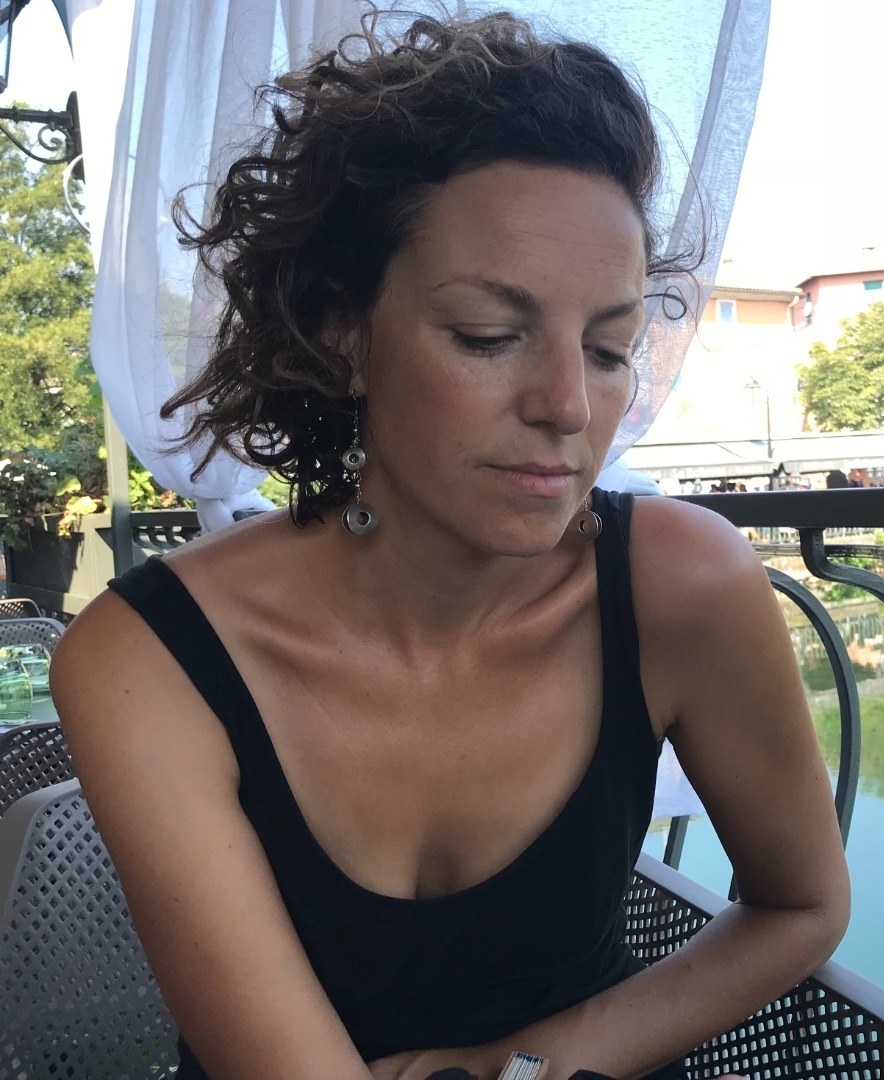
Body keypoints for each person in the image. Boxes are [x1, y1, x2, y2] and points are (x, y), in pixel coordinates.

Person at [50, 8, 849, 1080]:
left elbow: (801, 904)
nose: (568, 405)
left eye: (608, 348)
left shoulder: (682, 585)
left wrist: (514, 1064)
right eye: (488, 336)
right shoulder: (150, 660)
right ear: (343, 333)